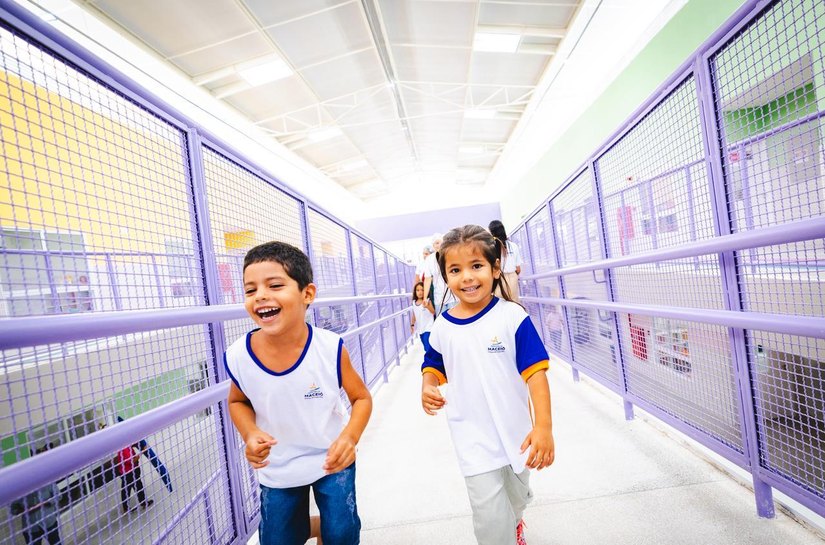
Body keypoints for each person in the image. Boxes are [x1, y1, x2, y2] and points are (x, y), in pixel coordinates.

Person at [225, 241, 372, 545]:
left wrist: (349, 437)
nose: (261, 296)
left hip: (331, 457)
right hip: (277, 466)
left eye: (275, 285)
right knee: (279, 539)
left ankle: (330, 530)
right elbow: (237, 401)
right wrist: (250, 433)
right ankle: (313, 528)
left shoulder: (330, 349)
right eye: (250, 290)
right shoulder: (239, 355)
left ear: (308, 294)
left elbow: (361, 398)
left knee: (343, 534)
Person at [420, 225, 554, 545]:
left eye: (476, 266)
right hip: (472, 438)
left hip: (517, 434)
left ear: (495, 269)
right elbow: (433, 364)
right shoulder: (443, 327)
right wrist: (428, 385)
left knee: (517, 497)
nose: (466, 277)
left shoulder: (512, 317)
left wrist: (544, 428)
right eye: (455, 269)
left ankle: (516, 521)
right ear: (445, 277)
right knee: (490, 518)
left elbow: (536, 375)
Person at [11, 446, 63, 544]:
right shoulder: (19, 488)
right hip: (31, 528)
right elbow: (13, 510)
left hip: (49, 522)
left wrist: (45, 503)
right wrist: (24, 509)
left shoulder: (46, 480)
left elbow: (58, 496)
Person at [422, 233, 457, 316]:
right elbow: (427, 279)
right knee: (442, 322)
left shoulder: (451, 255)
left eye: (441, 242)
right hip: (439, 298)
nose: (439, 245)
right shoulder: (429, 260)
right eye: (437, 243)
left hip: (454, 296)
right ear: (433, 246)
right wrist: (424, 297)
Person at [488, 220, 523, 303]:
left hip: (498, 278)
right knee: (514, 303)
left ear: (492, 233)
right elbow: (518, 269)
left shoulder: (491, 247)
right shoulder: (513, 246)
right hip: (512, 277)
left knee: (500, 303)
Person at [115, 442, 154, 513]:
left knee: (130, 488)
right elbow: (132, 461)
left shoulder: (123, 446)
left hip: (125, 472)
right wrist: (142, 451)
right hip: (129, 472)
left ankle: (128, 507)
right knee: (133, 488)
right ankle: (141, 503)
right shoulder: (125, 449)